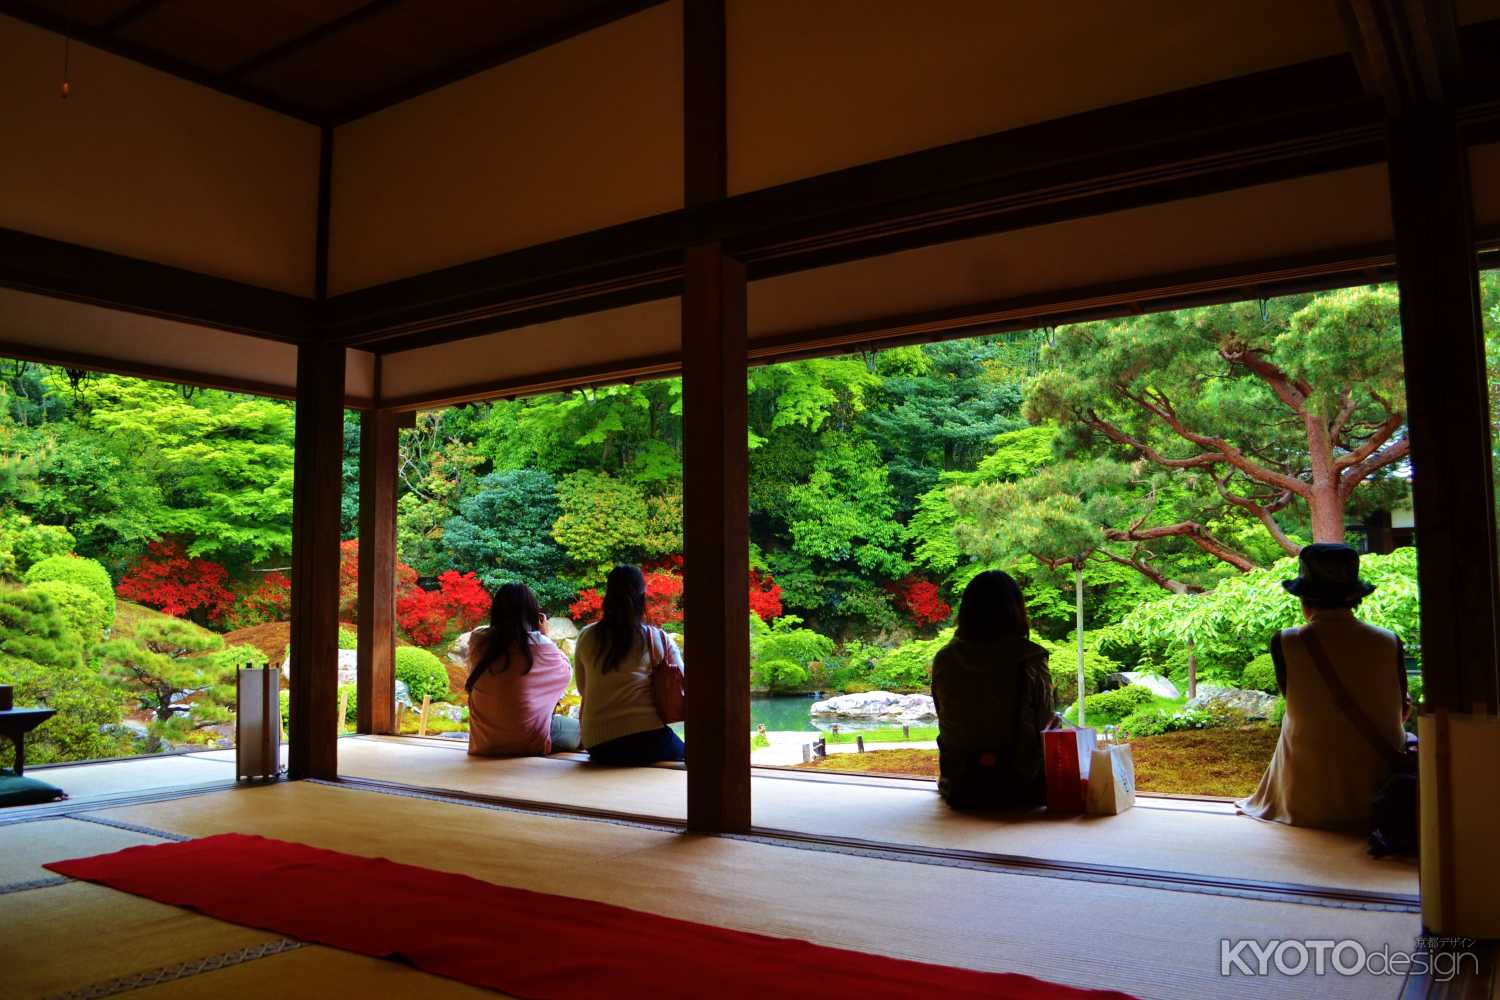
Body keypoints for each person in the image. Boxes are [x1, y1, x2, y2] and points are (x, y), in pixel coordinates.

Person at [1238, 543, 1409, 829]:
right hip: (1378, 800)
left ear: (1305, 599)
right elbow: (1403, 710)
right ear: (1355, 597)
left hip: (1304, 801)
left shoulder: (1286, 642)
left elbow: (1292, 699)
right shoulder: (1389, 641)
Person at [931, 570, 1059, 808]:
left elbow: (944, 717)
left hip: (961, 785)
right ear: (1016, 610)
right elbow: (1044, 721)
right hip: (1021, 785)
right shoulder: (1030, 657)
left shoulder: (944, 659)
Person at [575, 564, 686, 765]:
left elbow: (584, 689)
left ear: (607, 596)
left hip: (599, 744)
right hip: (647, 739)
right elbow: (683, 683)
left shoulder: (586, 636)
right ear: (642, 597)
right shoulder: (657, 639)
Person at [465, 582, 580, 756]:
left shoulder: (479, 639)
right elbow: (566, 675)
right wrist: (545, 636)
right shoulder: (540, 645)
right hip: (528, 742)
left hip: (484, 742)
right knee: (582, 730)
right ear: (533, 614)